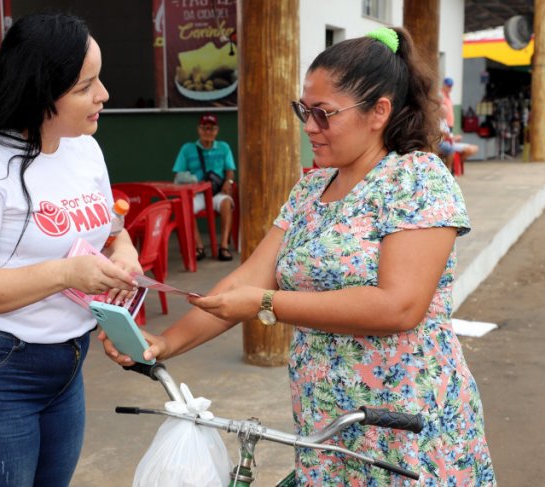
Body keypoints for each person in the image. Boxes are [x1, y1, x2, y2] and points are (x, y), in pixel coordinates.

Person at [104, 27, 496, 485]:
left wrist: (266, 304)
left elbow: (399, 306)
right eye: (303, 111)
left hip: (404, 421)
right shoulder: (311, 188)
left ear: (379, 113)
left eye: (324, 114)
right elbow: (245, 281)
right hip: (324, 422)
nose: (309, 126)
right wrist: (163, 345)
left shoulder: (416, 180)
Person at [0, 13, 142, 487]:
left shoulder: (83, 148)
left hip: (67, 364)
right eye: (86, 86)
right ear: (40, 92)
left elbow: (109, 226)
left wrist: (125, 251)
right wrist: (66, 274)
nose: (104, 95)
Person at [172, 113, 237, 262]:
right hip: (197, 193)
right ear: (199, 130)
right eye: (205, 128)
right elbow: (178, 173)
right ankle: (199, 247)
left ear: (217, 130)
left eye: (211, 128)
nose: (208, 132)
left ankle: (224, 246)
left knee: (227, 203)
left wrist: (229, 182)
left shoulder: (224, 147)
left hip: (216, 191)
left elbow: (230, 171)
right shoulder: (187, 149)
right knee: (186, 207)